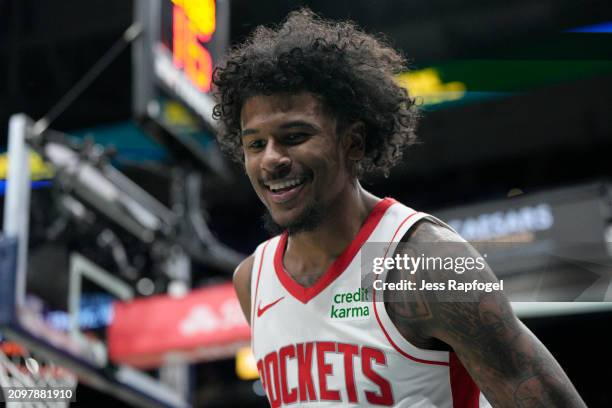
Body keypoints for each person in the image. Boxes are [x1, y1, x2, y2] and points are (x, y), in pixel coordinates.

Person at [212, 9, 585, 407]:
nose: (271, 159)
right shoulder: (252, 279)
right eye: (255, 144)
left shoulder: (427, 262)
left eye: (295, 136)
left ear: (353, 142)